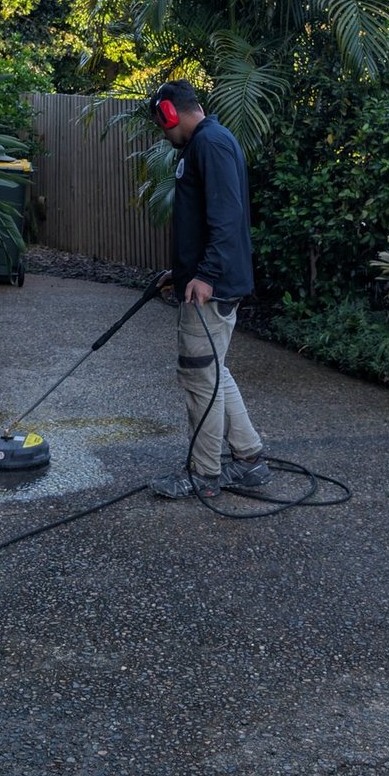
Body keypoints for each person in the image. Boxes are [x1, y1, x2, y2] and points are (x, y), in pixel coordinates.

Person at [148, 81, 272, 501]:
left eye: (162, 125)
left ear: (170, 113)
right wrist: (181, 272)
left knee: (200, 377)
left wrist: (204, 276)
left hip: (209, 291)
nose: (163, 135)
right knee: (215, 373)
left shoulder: (210, 144)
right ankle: (250, 460)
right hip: (204, 282)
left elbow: (226, 215)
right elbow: (205, 222)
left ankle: (205, 474)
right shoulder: (207, 143)